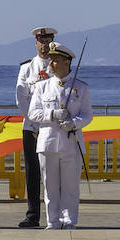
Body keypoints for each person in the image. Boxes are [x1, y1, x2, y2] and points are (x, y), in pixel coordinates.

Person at [27, 42, 92, 229]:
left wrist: (74, 123)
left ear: (67, 62)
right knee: (50, 186)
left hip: (71, 142)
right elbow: (33, 113)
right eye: (51, 60)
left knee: (71, 186)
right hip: (48, 143)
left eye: (56, 61)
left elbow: (88, 115)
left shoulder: (81, 88)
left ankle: (69, 220)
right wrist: (52, 114)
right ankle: (52, 221)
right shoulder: (42, 87)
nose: (51, 64)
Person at [15, 26, 55, 227]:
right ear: (36, 43)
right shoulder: (26, 68)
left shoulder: (58, 66)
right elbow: (21, 99)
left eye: (48, 41)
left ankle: (55, 216)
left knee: (52, 172)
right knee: (32, 172)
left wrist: (46, 124)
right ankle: (32, 215)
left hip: (52, 129)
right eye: (41, 42)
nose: (45, 46)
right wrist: (34, 123)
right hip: (31, 128)